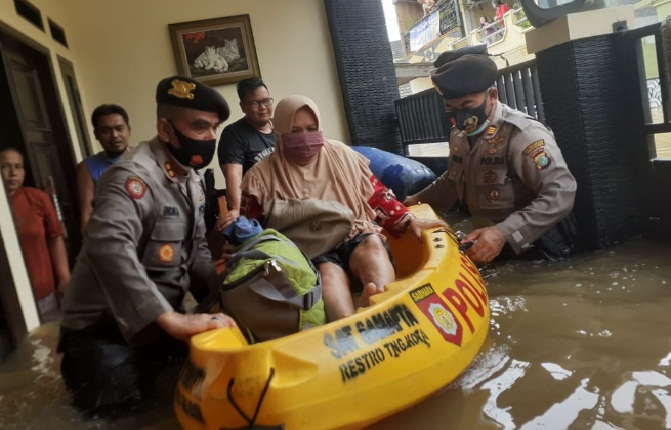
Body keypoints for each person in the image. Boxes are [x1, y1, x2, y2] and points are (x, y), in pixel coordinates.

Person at [58, 75, 236, 418]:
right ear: (165, 129)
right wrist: (172, 320)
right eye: (200, 126)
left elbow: (198, 249)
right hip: (104, 332)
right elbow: (107, 246)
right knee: (125, 418)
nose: (210, 138)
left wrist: (223, 298)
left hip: (158, 322)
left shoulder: (192, 179)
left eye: (214, 128)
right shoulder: (131, 177)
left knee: (186, 401)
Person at [223, 95, 448, 322]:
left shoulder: (342, 156)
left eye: (311, 128)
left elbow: (376, 195)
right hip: (308, 249)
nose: (305, 138)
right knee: (328, 273)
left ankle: (383, 310)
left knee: (372, 245)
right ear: (279, 132)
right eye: (294, 131)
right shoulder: (260, 177)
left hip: (353, 233)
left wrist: (408, 219)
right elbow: (250, 228)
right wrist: (238, 248)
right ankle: (348, 324)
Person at [404, 51, 577, 264]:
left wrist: (502, 233)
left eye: (467, 106)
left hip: (539, 247)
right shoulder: (460, 134)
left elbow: (561, 193)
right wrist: (414, 202)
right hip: (489, 242)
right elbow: (453, 180)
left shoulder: (522, 134)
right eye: (451, 108)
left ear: (492, 95)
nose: (460, 116)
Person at [0, 147, 71, 323]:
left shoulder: (37, 198)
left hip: (43, 292)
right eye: (5, 166)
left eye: (18, 167)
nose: (13, 172)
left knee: (50, 344)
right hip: (7, 301)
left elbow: (55, 238)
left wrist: (64, 277)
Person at [217, 77, 276, 227]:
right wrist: (236, 209)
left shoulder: (281, 126)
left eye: (266, 100)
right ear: (243, 106)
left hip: (288, 198)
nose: (263, 107)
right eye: (255, 103)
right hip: (258, 208)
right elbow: (234, 175)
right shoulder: (234, 134)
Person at [76, 104, 131, 234]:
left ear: (129, 130)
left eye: (119, 128)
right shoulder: (88, 167)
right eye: (105, 131)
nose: (114, 135)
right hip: (113, 235)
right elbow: (87, 213)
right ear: (96, 135)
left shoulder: (147, 158)